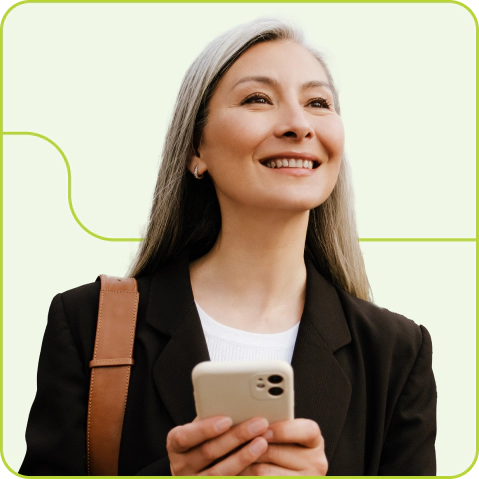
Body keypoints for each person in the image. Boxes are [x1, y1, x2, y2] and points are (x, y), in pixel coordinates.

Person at [19, 17, 437, 476]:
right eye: (258, 98)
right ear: (196, 147)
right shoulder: (89, 325)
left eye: (318, 102)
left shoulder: (396, 352)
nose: (299, 124)